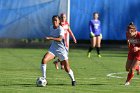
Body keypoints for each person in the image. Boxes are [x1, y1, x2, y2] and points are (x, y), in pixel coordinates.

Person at [40, 15, 76, 86]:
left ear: (59, 21)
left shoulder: (61, 29)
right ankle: (44, 78)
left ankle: (73, 80)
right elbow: (52, 37)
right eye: (53, 20)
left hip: (62, 50)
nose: (54, 22)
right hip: (53, 48)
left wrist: (50, 38)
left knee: (66, 68)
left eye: (56, 20)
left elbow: (60, 39)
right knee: (44, 60)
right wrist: (46, 40)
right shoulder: (51, 27)